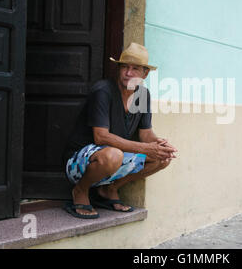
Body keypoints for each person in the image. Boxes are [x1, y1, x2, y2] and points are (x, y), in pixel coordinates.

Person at [63, 42, 177, 219]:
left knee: (162, 159)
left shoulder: (142, 94)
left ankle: (109, 189)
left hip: (114, 158)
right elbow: (100, 137)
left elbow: (145, 134)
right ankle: (80, 190)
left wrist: (159, 144)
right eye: (125, 67)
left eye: (135, 69)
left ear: (145, 73)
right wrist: (145, 149)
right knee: (113, 155)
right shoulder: (103, 91)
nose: (128, 73)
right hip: (79, 161)